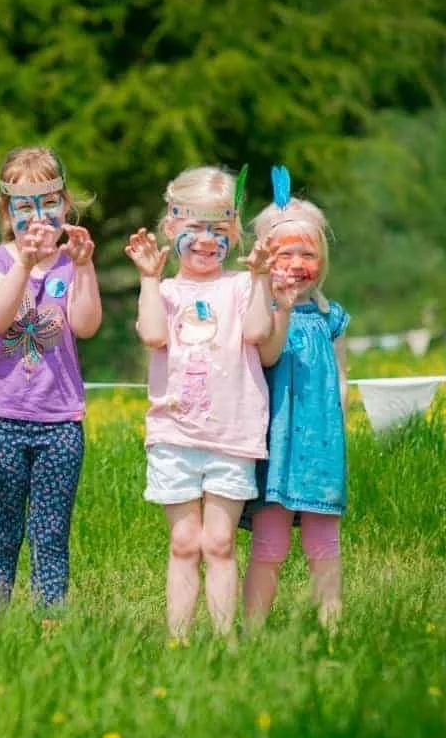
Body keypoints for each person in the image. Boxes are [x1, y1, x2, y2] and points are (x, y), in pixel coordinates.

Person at [124, 165, 276, 637]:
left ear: (235, 232)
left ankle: (226, 642)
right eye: (194, 229)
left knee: (221, 542)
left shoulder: (242, 285)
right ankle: (180, 642)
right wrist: (150, 278)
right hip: (175, 437)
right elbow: (152, 336)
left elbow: (256, 333)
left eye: (219, 230)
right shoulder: (166, 291)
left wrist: (264, 279)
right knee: (185, 542)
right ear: (171, 227)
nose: (207, 241)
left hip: (232, 436)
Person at [0, 147, 101, 609]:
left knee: (51, 536)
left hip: (60, 420)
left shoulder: (70, 263)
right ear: (7, 211)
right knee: (0, 534)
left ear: (65, 205)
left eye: (49, 204)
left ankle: (50, 624)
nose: (39, 217)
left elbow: (85, 324)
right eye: (25, 207)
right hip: (0, 417)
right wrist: (24, 263)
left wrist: (83, 266)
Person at [241, 166, 350, 631]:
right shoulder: (258, 313)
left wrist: (338, 434)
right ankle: (251, 629)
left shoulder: (331, 318)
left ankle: (332, 628)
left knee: (324, 544)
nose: (297, 263)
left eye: (308, 252)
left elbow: (343, 381)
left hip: (320, 449)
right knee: (269, 545)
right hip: (273, 444)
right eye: (286, 253)